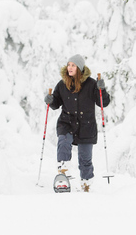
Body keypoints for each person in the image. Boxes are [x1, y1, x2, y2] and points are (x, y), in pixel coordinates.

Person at [44, 54, 110, 192]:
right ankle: (63, 171)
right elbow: (56, 103)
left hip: (86, 126)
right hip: (67, 122)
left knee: (85, 159)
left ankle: (86, 184)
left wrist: (101, 90)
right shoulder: (62, 84)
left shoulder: (91, 84)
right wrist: (50, 100)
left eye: (73, 65)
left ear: (79, 68)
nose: (70, 67)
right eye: (68, 65)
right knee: (63, 141)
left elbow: (103, 102)